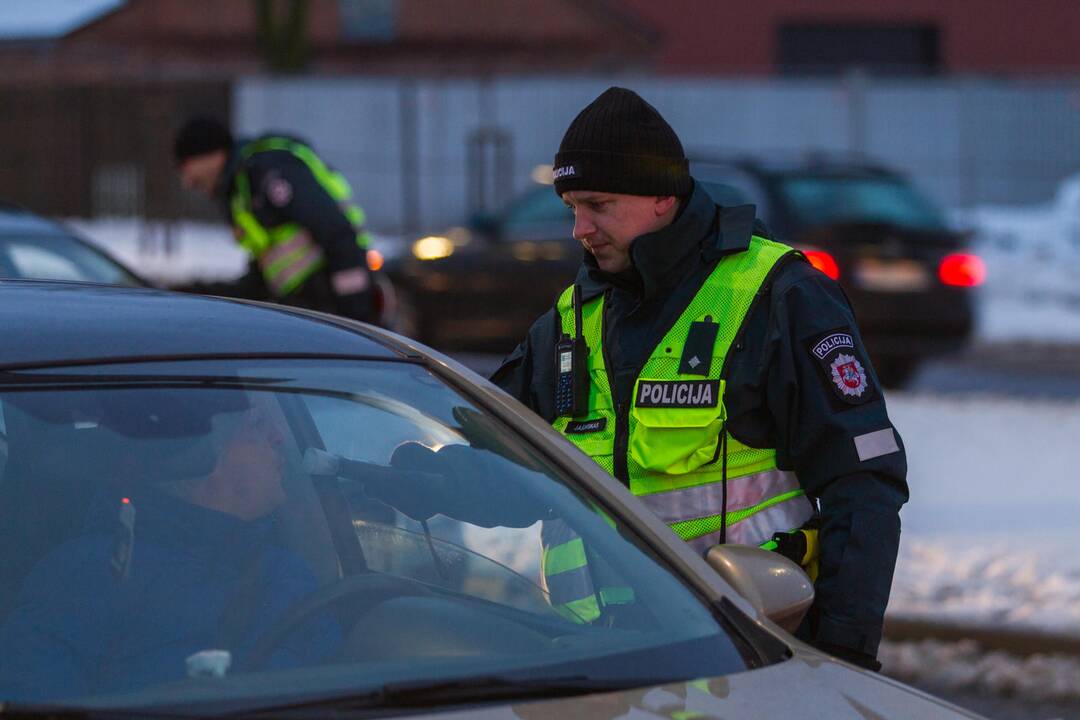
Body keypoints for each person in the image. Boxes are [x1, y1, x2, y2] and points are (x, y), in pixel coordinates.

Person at [491, 87, 909, 670]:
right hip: (598, 671)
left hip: (748, 657)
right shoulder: (570, 320)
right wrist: (398, 483)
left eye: (598, 205)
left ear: (663, 195)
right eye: (570, 208)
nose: (578, 228)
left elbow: (862, 482)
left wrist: (840, 653)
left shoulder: (777, 294)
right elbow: (495, 462)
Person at [0, 393, 338, 701]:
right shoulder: (86, 574)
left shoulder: (290, 572)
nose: (279, 437)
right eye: (257, 424)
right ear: (201, 453)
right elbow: (33, 698)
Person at [172, 116, 376, 322]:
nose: (187, 182)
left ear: (211, 154)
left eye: (185, 166)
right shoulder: (242, 191)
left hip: (329, 308)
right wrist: (197, 293)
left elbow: (336, 232)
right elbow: (259, 281)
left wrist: (354, 313)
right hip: (307, 310)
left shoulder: (268, 171)